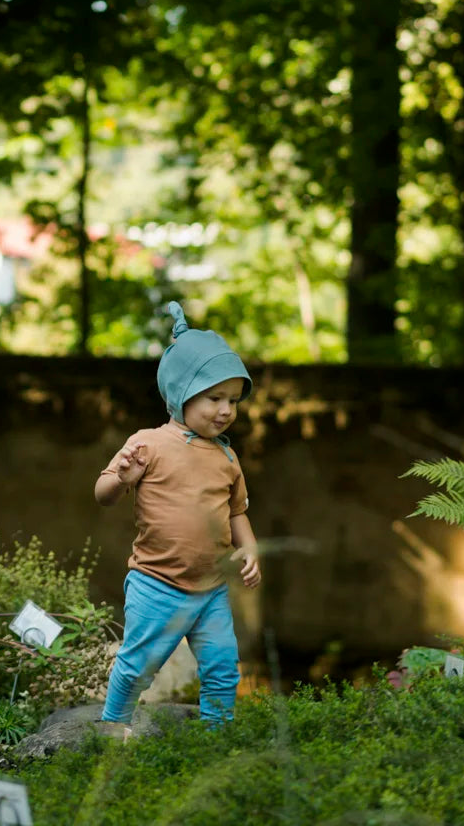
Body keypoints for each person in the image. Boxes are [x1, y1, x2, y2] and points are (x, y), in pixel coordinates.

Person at [96, 300, 261, 730]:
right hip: (157, 585)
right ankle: (113, 728)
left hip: (211, 590)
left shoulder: (227, 457)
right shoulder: (147, 444)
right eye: (214, 397)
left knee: (224, 667)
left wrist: (250, 548)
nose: (226, 410)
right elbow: (102, 494)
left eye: (233, 400)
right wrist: (122, 477)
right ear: (181, 392)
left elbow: (236, 510)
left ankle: (215, 738)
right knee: (137, 668)